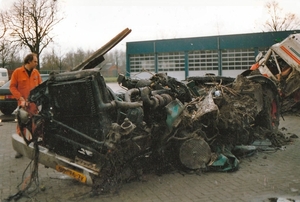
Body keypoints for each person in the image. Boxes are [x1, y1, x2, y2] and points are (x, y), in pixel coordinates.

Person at [10, 53, 42, 158]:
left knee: (34, 125)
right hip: (23, 105)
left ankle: (33, 146)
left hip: (33, 105)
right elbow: (12, 87)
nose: (36, 63)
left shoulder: (36, 73)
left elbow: (40, 88)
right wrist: (21, 99)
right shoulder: (17, 72)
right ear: (29, 61)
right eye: (35, 61)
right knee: (21, 126)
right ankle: (20, 149)